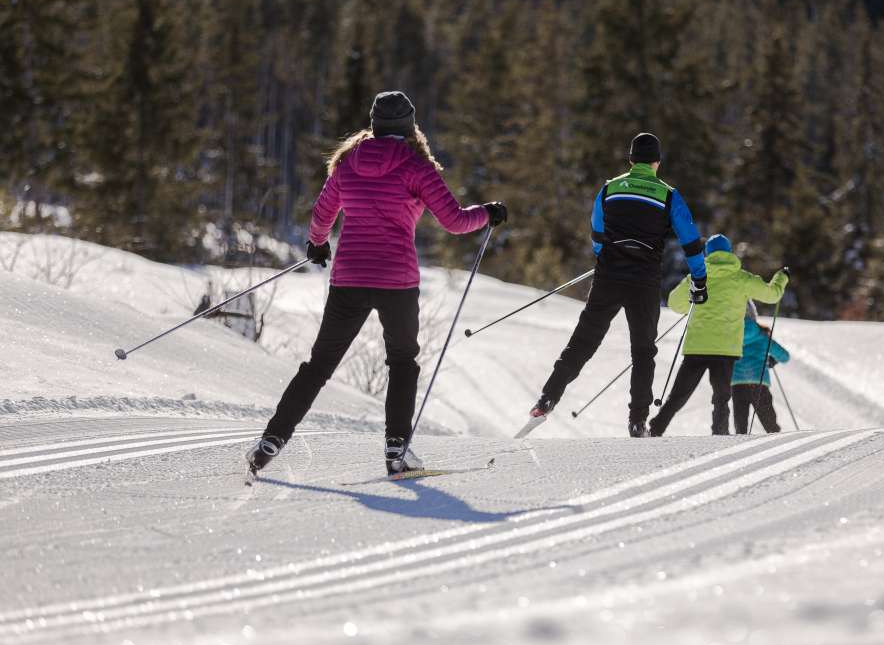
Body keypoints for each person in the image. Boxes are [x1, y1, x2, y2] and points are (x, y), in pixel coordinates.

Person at [246, 91, 507, 479]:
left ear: (374, 123)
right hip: (396, 280)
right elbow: (454, 222)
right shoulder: (416, 166)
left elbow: (321, 216)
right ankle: (396, 450)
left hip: (349, 277)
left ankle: (271, 441)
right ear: (409, 125)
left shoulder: (348, 163)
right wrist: (487, 213)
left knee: (319, 365)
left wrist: (317, 245)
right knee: (402, 362)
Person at [525, 132, 707, 438]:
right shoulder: (669, 195)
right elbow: (690, 241)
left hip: (608, 277)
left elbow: (597, 233)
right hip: (644, 282)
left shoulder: (609, 188)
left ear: (631, 160)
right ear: (656, 163)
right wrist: (699, 281)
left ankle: (548, 397)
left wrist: (604, 258)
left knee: (582, 342)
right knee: (643, 352)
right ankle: (638, 421)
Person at [648, 235, 788, 437]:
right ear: (729, 252)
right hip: (726, 350)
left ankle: (656, 428)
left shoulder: (697, 277)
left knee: (679, 394)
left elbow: (675, 304)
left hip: (697, 347)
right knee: (721, 397)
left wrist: (692, 302)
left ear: (707, 253)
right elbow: (772, 295)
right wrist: (781, 277)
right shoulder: (741, 278)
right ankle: (719, 433)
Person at [731, 304, 791, 434]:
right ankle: (778, 446)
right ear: (753, 315)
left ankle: (740, 450)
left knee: (740, 427)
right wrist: (772, 360)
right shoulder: (762, 336)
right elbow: (785, 357)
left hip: (737, 383)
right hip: (758, 383)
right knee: (770, 424)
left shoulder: (730, 336)